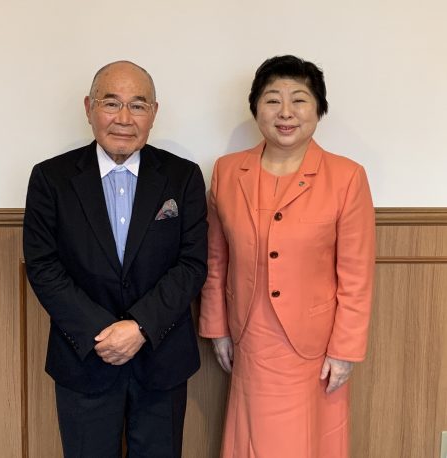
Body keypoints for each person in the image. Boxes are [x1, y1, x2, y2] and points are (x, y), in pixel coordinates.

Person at [23, 60, 207, 458]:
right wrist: (102, 333)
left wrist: (140, 327)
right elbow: (43, 266)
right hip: (84, 359)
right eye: (111, 103)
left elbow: (192, 264)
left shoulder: (183, 176)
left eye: (137, 105)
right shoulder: (50, 179)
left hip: (161, 358)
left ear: (154, 113)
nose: (124, 118)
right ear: (88, 107)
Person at [199, 55, 375, 457]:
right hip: (249, 338)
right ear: (255, 108)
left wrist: (345, 350)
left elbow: (357, 274)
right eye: (272, 99)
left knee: (305, 441)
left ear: (319, 109)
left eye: (299, 99)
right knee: (252, 438)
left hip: (314, 348)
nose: (285, 112)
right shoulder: (227, 172)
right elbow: (215, 260)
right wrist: (217, 327)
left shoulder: (346, 177)